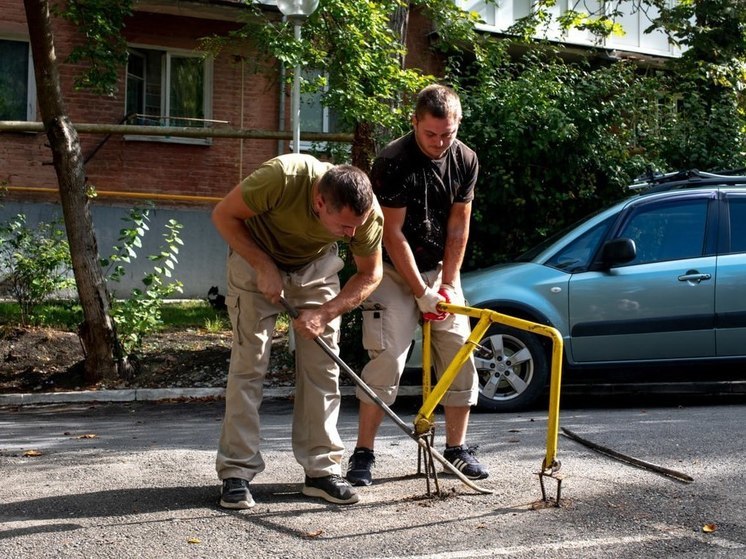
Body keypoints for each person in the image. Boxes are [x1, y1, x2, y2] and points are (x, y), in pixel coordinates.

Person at [212, 153, 383, 508]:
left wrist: (326, 311)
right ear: (319, 202)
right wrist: (263, 265)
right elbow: (223, 216)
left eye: (357, 227)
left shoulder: (366, 214)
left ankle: (321, 471)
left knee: (323, 367)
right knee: (249, 365)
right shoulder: (282, 177)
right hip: (254, 255)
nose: (353, 235)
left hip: (314, 266)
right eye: (344, 227)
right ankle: (236, 473)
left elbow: (370, 274)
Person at [346, 84, 488, 486]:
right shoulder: (392, 160)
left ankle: (457, 449)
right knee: (387, 354)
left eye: (449, 133)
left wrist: (447, 283)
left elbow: (460, 224)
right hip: (391, 269)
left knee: (460, 349)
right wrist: (419, 293)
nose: (441, 142)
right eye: (431, 134)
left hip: (439, 269)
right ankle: (363, 454)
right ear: (415, 123)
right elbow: (392, 233)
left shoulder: (466, 160)